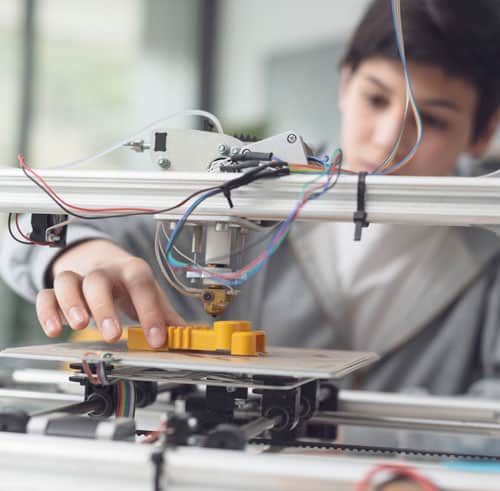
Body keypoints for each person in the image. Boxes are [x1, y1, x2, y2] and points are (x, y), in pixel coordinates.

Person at [2, 0, 500, 402]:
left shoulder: (490, 252)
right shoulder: (252, 190)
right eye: (375, 99)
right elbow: (22, 222)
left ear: (483, 133)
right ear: (345, 83)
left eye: (431, 120)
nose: (392, 139)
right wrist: (76, 253)